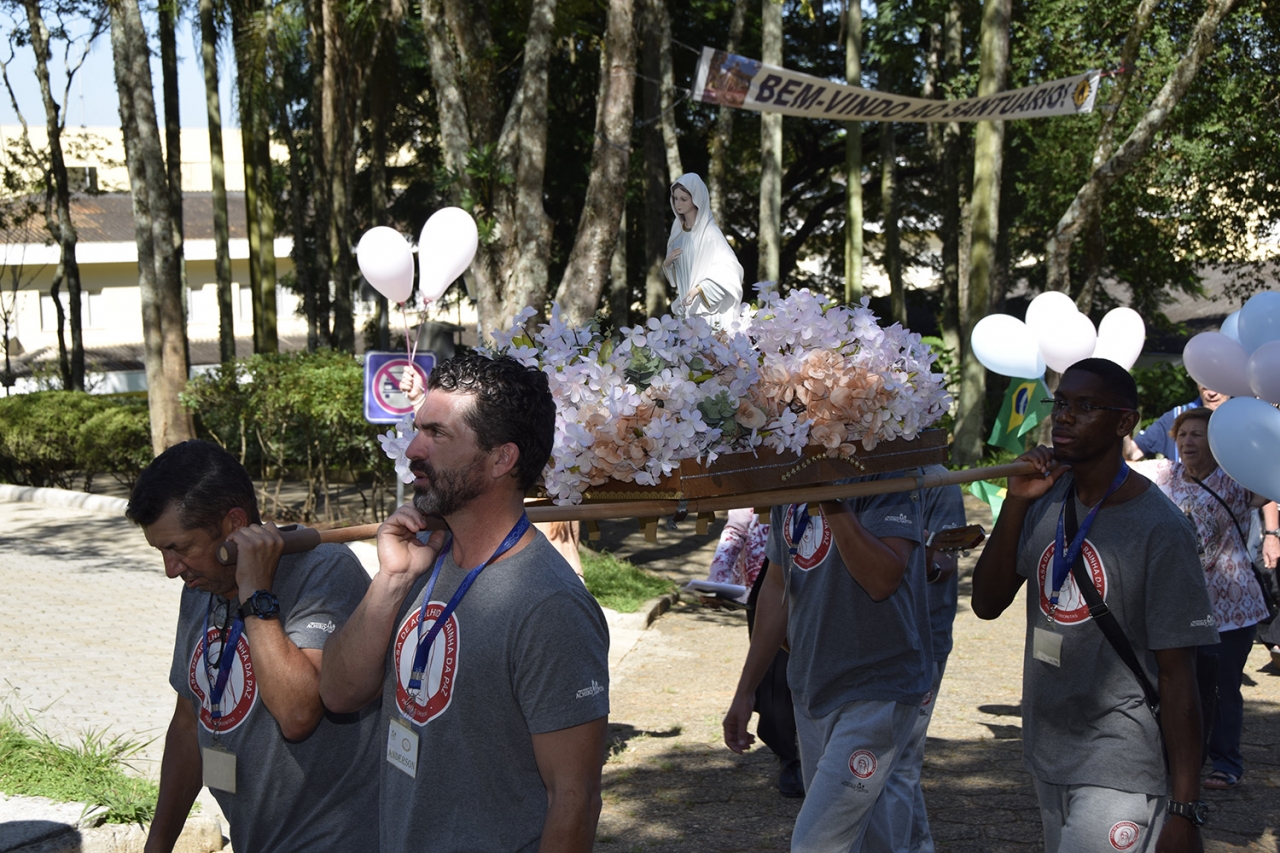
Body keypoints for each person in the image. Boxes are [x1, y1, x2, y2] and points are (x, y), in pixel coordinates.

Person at [321, 352, 610, 853]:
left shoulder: (551, 606)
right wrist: (391, 579)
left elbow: (575, 800)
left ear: (501, 459)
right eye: (418, 429)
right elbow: (338, 694)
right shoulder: (418, 563)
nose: (413, 449)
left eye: (437, 434)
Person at [971, 358, 1218, 853]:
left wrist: (1185, 809)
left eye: (1086, 407)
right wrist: (1016, 503)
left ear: (1125, 423)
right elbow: (986, 603)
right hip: (1049, 748)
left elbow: (1180, 676)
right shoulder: (1043, 498)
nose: (1065, 416)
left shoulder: (1161, 530)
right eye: (1062, 403)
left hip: (1122, 760)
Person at [126, 440, 380, 853]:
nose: (171, 570)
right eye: (161, 551)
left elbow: (298, 714)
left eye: (180, 548)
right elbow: (188, 722)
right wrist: (157, 845)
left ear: (234, 525)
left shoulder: (325, 570)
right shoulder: (201, 584)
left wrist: (255, 592)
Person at [723, 471, 932, 852]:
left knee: (816, 843)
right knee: (868, 841)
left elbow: (882, 580)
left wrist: (830, 497)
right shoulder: (791, 472)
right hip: (811, 688)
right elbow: (777, 585)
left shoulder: (888, 470)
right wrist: (746, 691)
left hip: (876, 690)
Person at [1130, 406, 1271, 790]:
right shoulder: (1165, 475)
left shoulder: (1238, 480)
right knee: (1176, 685)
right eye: (1183, 434)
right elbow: (1118, 465)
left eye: (1198, 435)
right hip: (1180, 606)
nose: (1188, 441)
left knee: (1222, 688)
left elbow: (1271, 477)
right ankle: (1178, 761)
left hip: (1232, 608)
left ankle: (1226, 763)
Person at [701, 508, 803, 798]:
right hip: (765, 579)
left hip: (819, 573)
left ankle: (823, 750)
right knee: (773, 677)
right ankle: (790, 758)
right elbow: (737, 526)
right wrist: (719, 578)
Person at [896, 467, 967, 853]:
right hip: (866, 640)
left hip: (923, 640)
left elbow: (945, 562)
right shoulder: (859, 473)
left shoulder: (938, 481)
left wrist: (926, 562)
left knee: (901, 762)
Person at [663, 172, 744, 324]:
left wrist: (699, 290)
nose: (678, 204)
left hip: (706, 310)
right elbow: (675, 275)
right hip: (686, 307)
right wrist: (667, 264)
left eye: (683, 199)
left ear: (696, 199)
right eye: (675, 198)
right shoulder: (677, 234)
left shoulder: (710, 234)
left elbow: (731, 269)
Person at [1126, 383, 1228, 462]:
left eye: (1219, 385)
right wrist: (1120, 418)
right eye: (1205, 385)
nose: (1212, 393)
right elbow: (1132, 453)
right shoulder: (1176, 416)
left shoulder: (1239, 417)